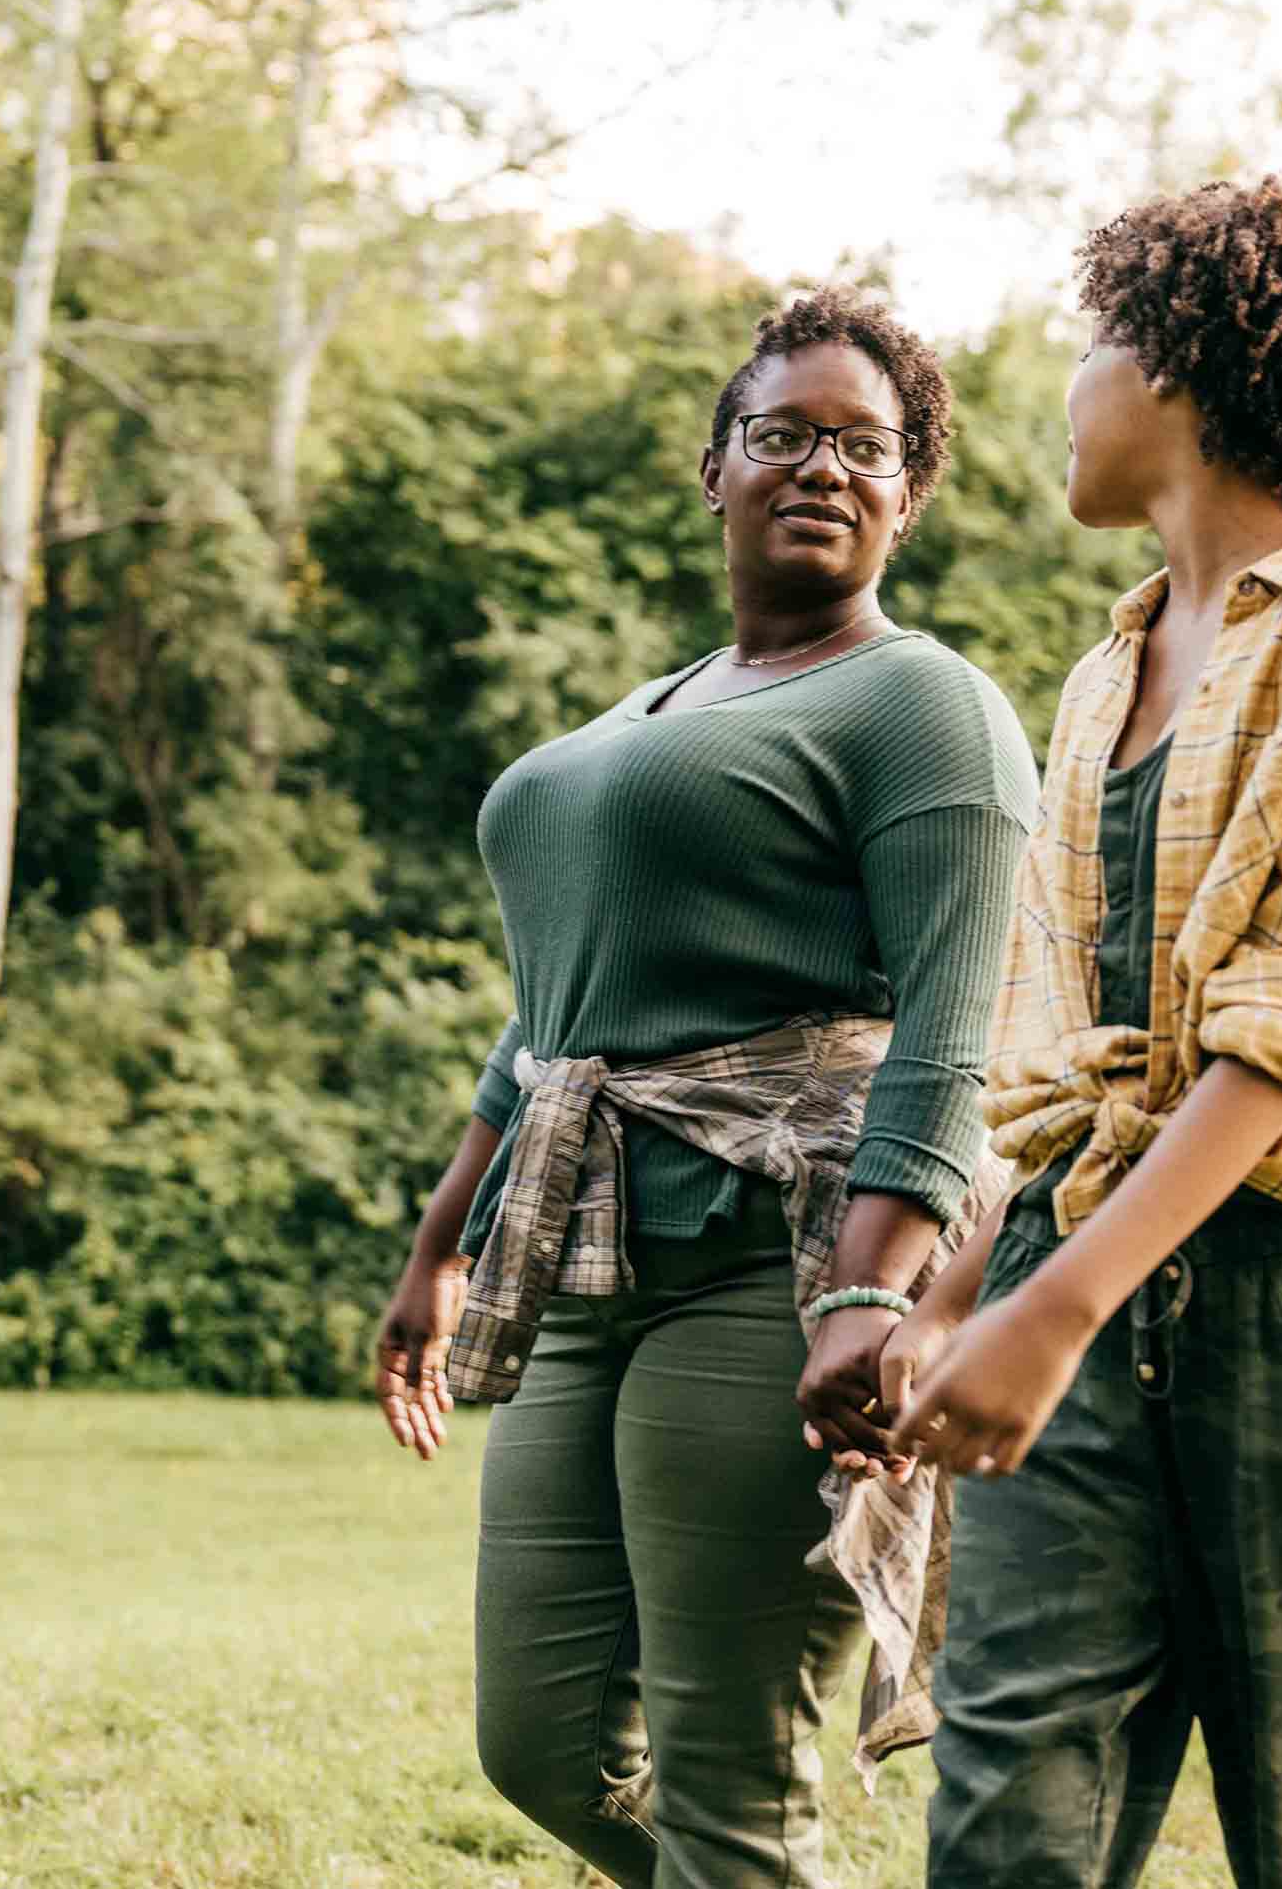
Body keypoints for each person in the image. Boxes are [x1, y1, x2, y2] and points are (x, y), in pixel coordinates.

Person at [883, 177, 1282, 1887]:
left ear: (1174, 365)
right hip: (1070, 1275)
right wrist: (960, 1293)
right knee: (1012, 1816)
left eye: (1091, 340)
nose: (1066, 385)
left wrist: (1051, 1312)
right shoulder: (1105, 673)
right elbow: (1063, 1065)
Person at [371, 285, 1040, 1889]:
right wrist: (441, 1243)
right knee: (540, 1744)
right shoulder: (657, 705)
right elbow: (553, 1020)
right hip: (586, 1267)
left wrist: (866, 1295)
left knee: (728, 1776)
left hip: (772, 1268)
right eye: (783, 432)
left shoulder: (921, 703)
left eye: (866, 447)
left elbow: (953, 1031)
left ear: (908, 497)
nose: (823, 466)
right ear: (717, 464)